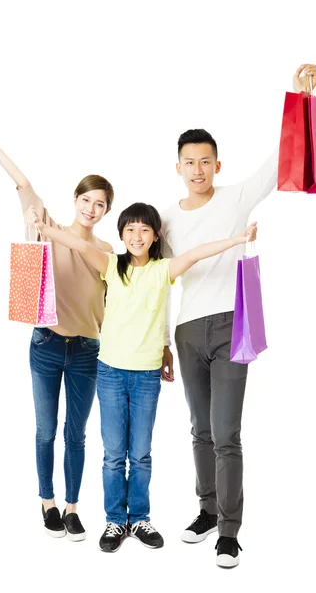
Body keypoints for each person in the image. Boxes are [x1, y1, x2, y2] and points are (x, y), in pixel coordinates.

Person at [26, 200, 257, 552]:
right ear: (121, 234)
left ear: (155, 235)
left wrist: (238, 239)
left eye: (144, 229)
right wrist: (44, 229)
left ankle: (141, 518)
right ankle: (115, 521)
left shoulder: (163, 270)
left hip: (147, 375)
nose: (136, 235)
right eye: (130, 229)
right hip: (110, 373)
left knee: (142, 455)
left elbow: (196, 254)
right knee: (114, 455)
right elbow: (78, 244)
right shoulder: (111, 265)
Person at [159, 64, 316, 568]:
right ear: (178, 167)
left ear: (218, 166)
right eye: (190, 162)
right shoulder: (164, 220)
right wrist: (163, 341)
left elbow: (280, 160)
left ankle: (229, 531)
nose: (198, 170)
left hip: (231, 324)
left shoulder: (237, 196)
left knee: (226, 431)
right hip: (187, 331)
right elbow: (154, 283)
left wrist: (298, 97)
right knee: (198, 429)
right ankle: (205, 511)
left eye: (206, 162)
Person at [0, 119, 114, 540]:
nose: (91, 208)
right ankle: (47, 501)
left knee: (76, 434)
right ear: (76, 199)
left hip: (87, 350)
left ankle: (72, 507)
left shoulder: (106, 252)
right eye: (86, 199)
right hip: (45, 343)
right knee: (46, 429)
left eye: (100, 204)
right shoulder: (48, 226)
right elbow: (22, 182)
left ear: (106, 211)